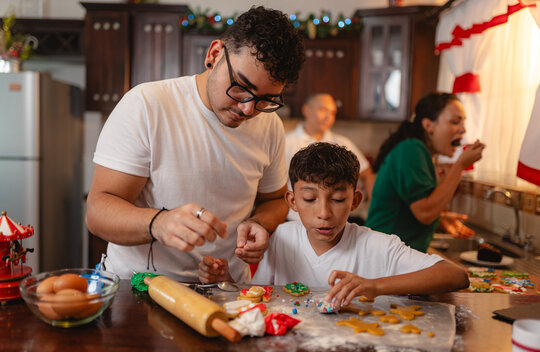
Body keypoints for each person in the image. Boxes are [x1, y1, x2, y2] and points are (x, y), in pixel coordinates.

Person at [85, 6, 305, 281]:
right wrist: (157, 223)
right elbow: (97, 211)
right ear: (214, 55)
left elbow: (274, 200)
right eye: (241, 86)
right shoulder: (147, 105)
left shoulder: (269, 125)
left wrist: (258, 223)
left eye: (265, 99)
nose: (248, 110)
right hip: (139, 293)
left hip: (225, 290)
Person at [199, 142, 469, 306]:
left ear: (355, 200)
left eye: (338, 199)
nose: (324, 213)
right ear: (292, 202)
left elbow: (456, 276)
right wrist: (226, 281)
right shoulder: (282, 238)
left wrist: (375, 286)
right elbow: (256, 296)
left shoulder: (378, 245)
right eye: (309, 198)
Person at [365, 92, 486, 253]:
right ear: (428, 125)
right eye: (455, 122)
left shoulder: (419, 152)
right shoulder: (412, 149)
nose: (463, 130)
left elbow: (411, 210)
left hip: (390, 254)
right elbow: (425, 212)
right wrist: (460, 165)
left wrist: (440, 220)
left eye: (463, 122)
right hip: (384, 256)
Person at [285, 93, 376, 222]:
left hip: (336, 221)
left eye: (332, 112)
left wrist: (375, 210)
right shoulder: (286, 142)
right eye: (323, 110)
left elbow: (367, 174)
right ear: (306, 110)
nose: (328, 117)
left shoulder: (342, 143)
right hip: (295, 219)